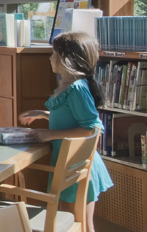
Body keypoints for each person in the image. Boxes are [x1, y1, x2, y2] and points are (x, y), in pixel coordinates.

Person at [19, 31, 114, 232]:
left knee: (84, 225)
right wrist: (43, 114)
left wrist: (49, 134)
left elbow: (92, 128)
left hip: (78, 165)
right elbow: (68, 115)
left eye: (54, 53)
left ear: (66, 59)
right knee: (68, 222)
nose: (50, 58)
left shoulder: (77, 89)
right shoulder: (65, 85)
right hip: (67, 161)